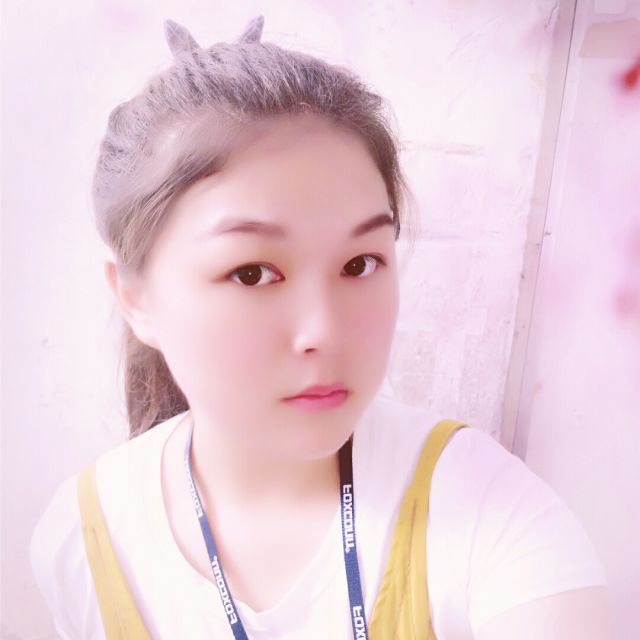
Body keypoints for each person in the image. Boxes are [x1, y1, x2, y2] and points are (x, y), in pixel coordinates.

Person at [30, 15, 613, 640]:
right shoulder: (83, 543)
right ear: (134, 296)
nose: (324, 331)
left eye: (359, 264)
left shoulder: (486, 513)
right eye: (252, 273)